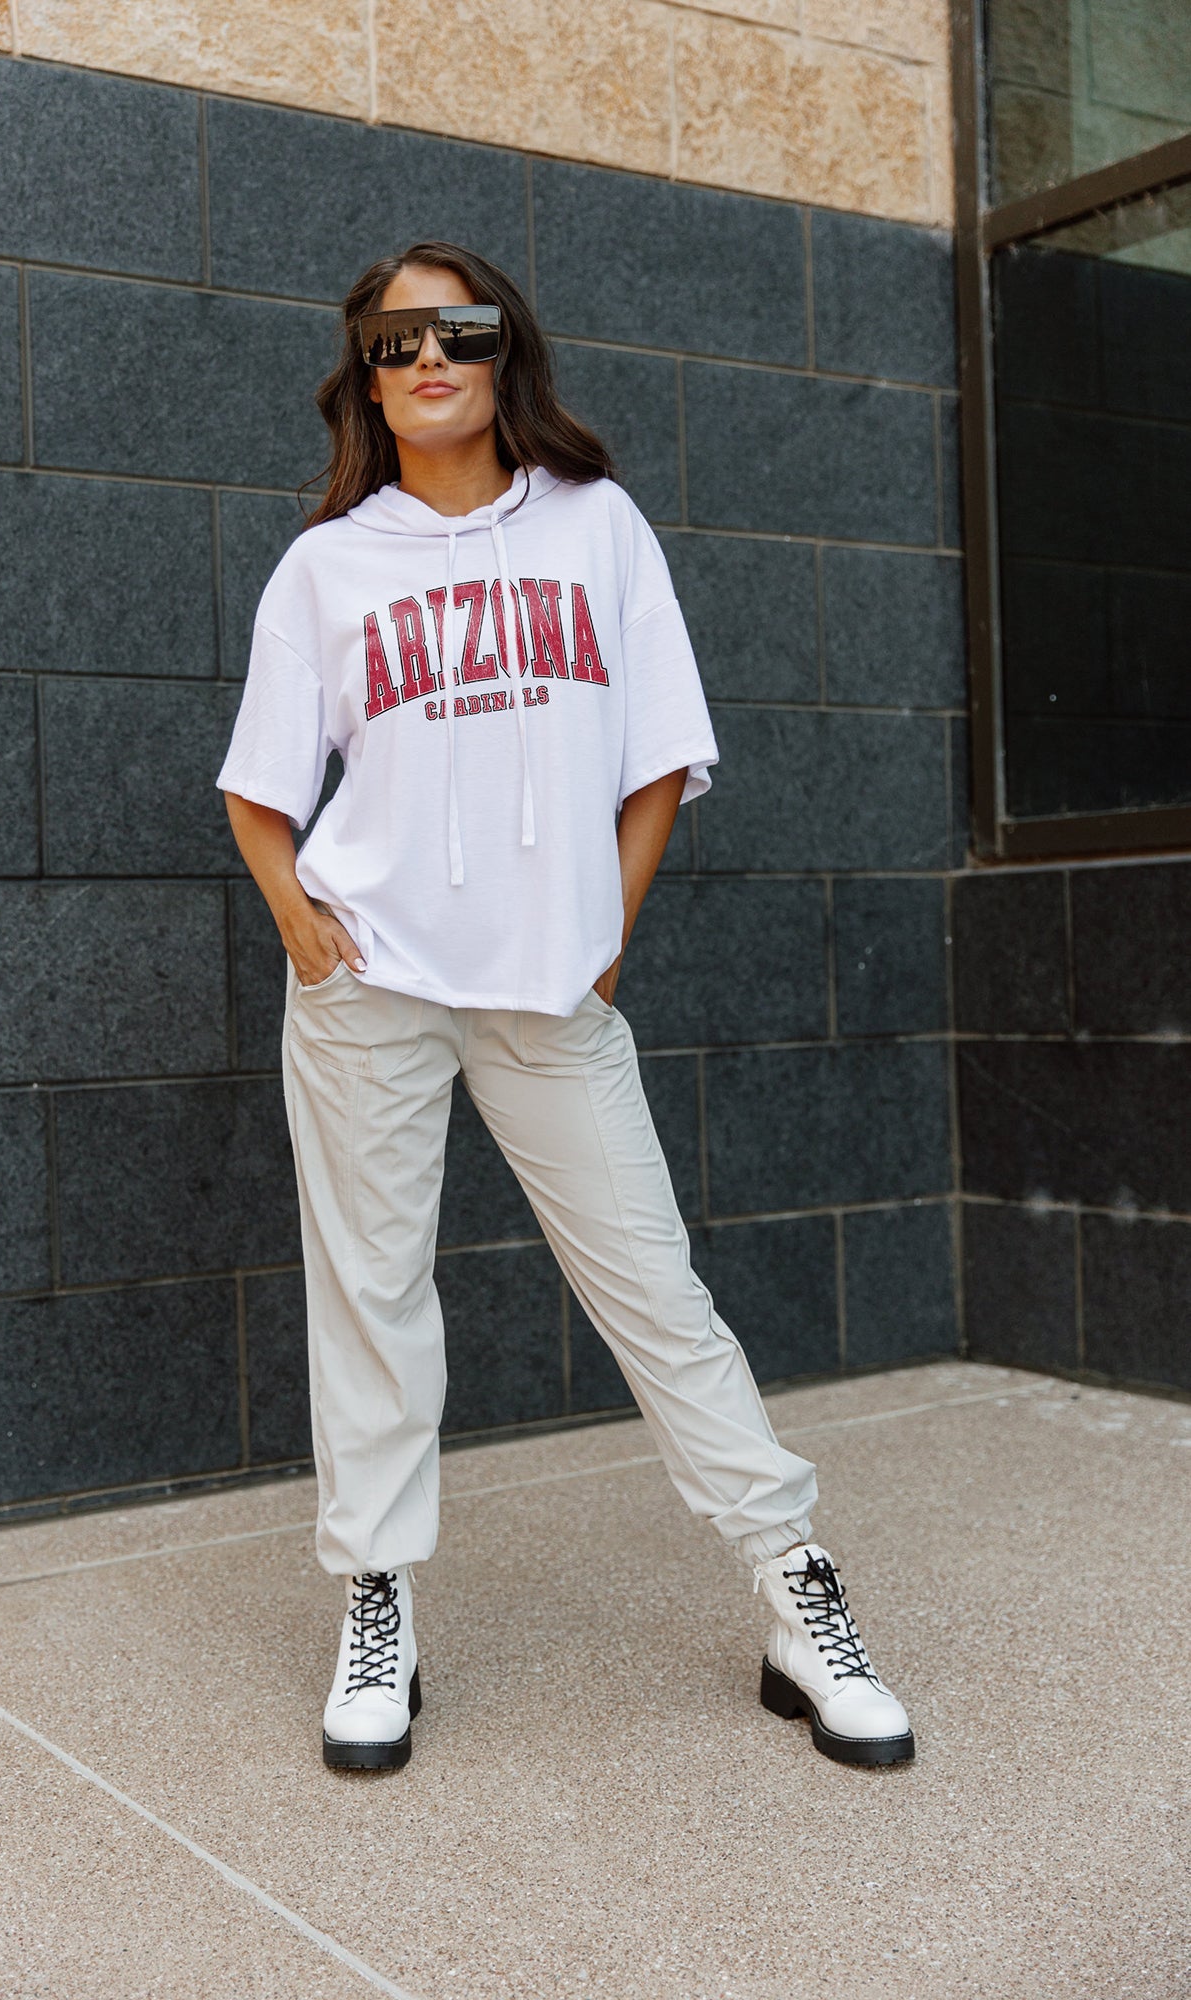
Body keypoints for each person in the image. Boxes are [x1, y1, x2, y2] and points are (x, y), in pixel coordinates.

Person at [216, 241, 914, 1775]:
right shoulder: (328, 564)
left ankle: (798, 1598)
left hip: (549, 989)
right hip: (369, 987)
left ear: (502, 349)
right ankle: (379, 1606)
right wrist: (297, 922)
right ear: (365, 377)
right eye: (392, 344)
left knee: (654, 1295)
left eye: (454, 331)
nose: (425, 361)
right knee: (374, 1297)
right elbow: (261, 793)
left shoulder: (596, 529)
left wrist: (607, 927)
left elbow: (657, 751)